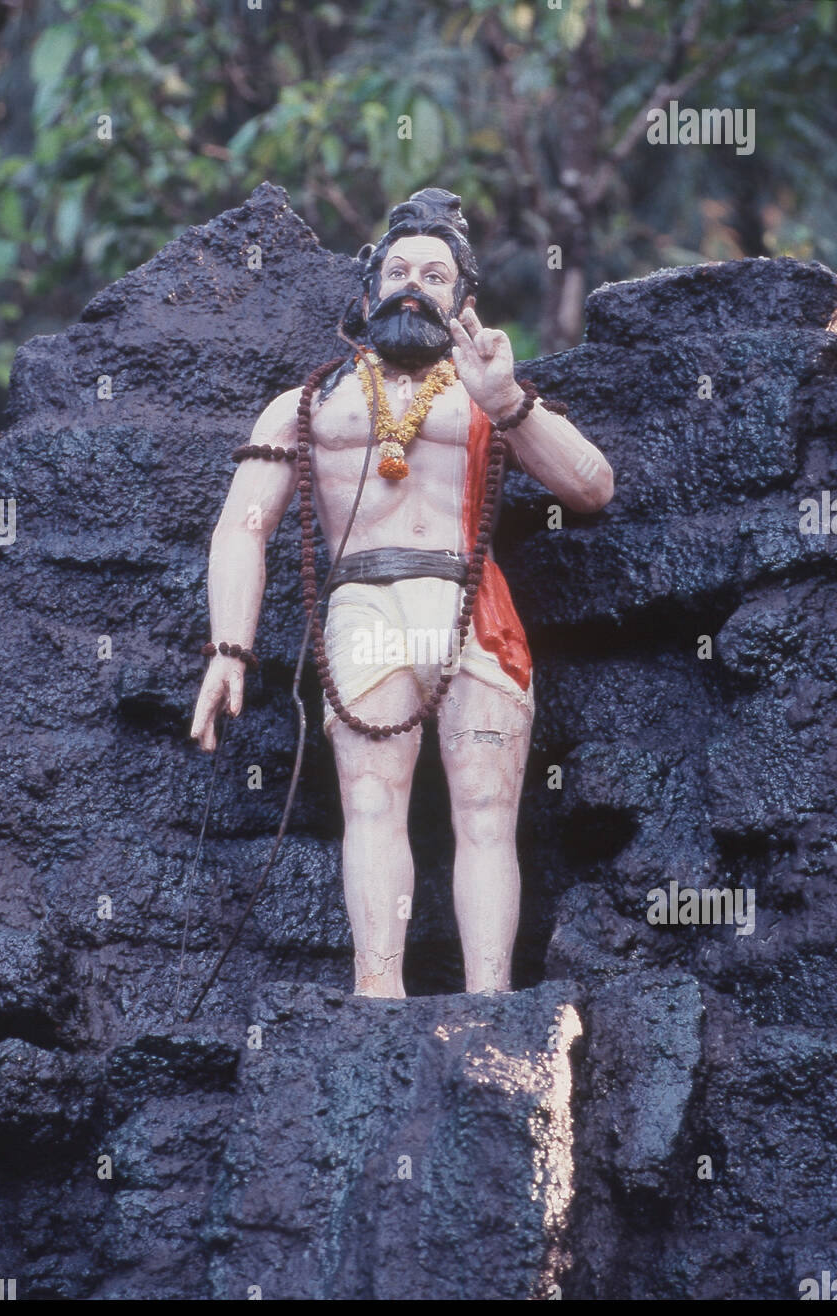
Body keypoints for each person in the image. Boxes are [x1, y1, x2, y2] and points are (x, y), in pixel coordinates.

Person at [191, 188, 613, 998]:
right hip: (364, 612)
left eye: (435, 271)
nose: (414, 283)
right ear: (369, 291)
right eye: (398, 269)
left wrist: (511, 404)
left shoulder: (488, 393)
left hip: (470, 610)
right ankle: (377, 998)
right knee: (372, 805)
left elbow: (593, 486)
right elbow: (242, 528)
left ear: (464, 299)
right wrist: (229, 648)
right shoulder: (307, 403)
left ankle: (492, 1002)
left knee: (488, 816)